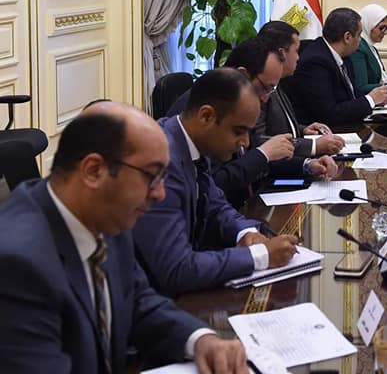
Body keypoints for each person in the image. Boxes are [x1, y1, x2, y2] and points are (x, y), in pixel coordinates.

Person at [0, 102, 247, 373]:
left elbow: (138, 303)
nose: (160, 194)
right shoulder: (17, 265)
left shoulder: (106, 216)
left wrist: (200, 340)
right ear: (94, 170)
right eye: (151, 176)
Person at [134, 68, 300, 297]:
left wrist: (245, 233)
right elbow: (176, 270)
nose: (245, 143)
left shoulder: (193, 144)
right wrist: (261, 256)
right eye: (239, 131)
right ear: (206, 116)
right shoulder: (161, 161)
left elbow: (217, 206)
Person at [169, 37, 336, 208]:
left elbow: (255, 158)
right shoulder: (207, 107)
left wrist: (307, 165)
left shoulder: (240, 104)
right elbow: (215, 183)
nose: (266, 98)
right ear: (244, 74)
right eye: (266, 88)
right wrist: (262, 154)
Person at [284, 7, 387, 127]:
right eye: (359, 35)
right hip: (324, 131)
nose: (360, 40)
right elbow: (329, 114)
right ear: (347, 37)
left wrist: (374, 100)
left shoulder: (344, 56)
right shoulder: (315, 62)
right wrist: (370, 100)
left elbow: (352, 94)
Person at [258, 21, 345, 158]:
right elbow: (259, 142)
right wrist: (314, 146)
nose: (299, 58)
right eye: (296, 51)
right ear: (282, 53)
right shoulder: (261, 87)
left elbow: (278, 126)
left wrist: (303, 129)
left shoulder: (278, 82)